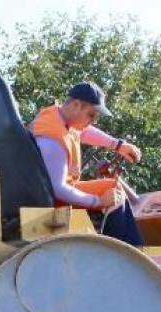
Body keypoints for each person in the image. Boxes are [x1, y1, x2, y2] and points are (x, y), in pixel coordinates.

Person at [28, 82, 144, 245]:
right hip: (53, 200)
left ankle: (121, 246)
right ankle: (129, 251)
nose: (93, 121)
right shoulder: (52, 140)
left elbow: (83, 131)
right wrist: (98, 201)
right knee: (113, 191)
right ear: (76, 105)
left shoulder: (58, 117)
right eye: (91, 115)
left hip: (48, 193)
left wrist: (118, 145)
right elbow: (58, 189)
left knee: (112, 188)